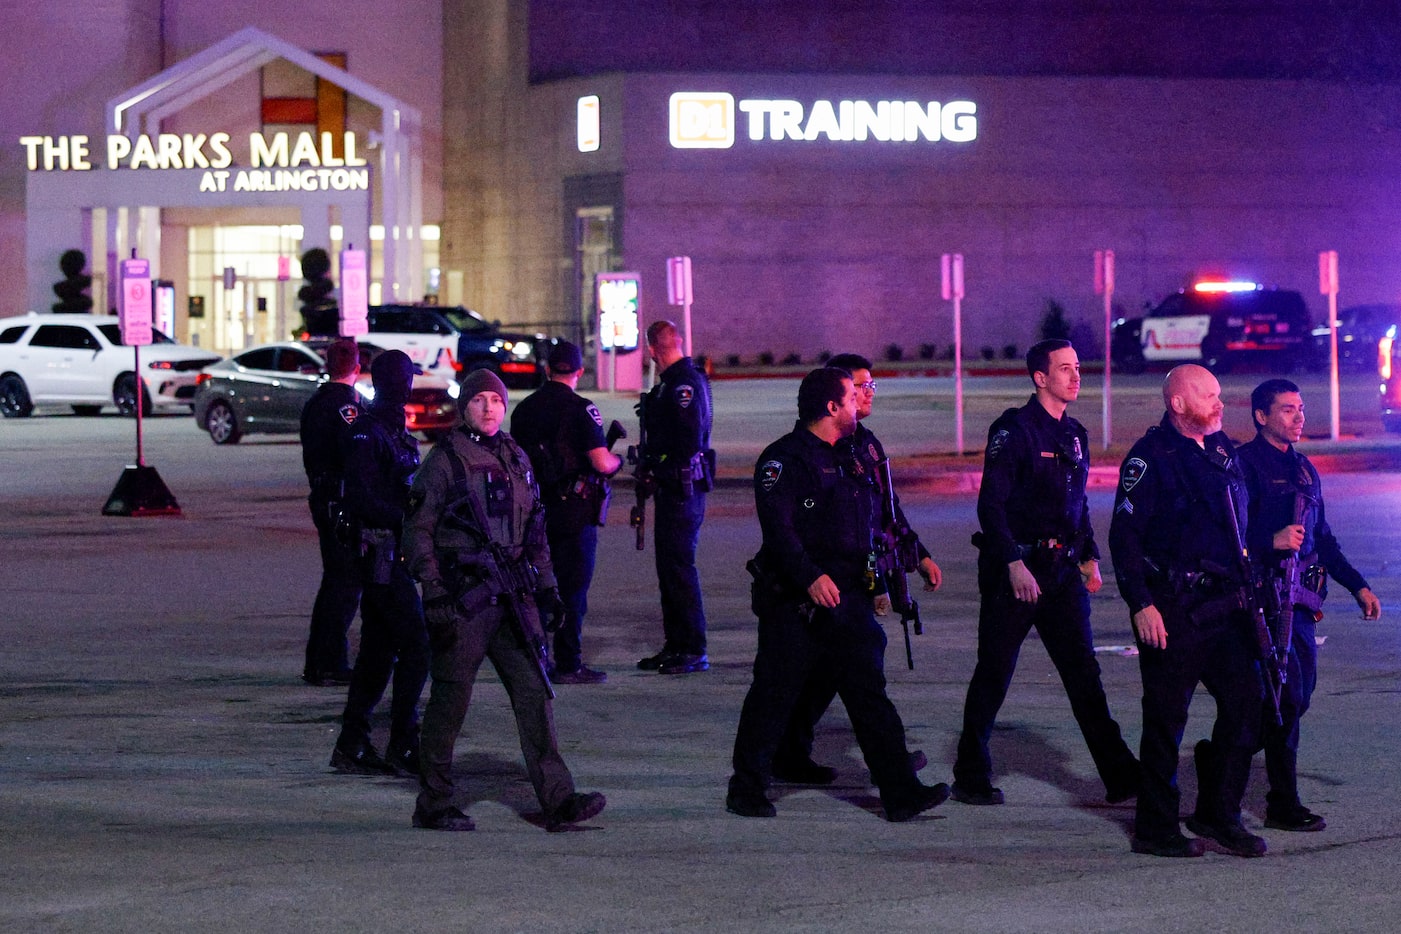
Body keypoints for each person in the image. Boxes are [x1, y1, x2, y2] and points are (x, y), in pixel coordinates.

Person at [726, 367, 950, 822]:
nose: (859, 402)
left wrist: (910, 559)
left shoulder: (854, 454)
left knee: (870, 695)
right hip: (796, 600)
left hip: (848, 597)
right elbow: (780, 531)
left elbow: (882, 518)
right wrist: (809, 576)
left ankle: (901, 793)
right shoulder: (782, 460)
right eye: (852, 396)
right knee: (773, 694)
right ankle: (746, 787)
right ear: (831, 407)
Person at [404, 367, 606, 832]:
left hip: (514, 596)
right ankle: (433, 803)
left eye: (495, 400)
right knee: (450, 702)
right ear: (465, 407)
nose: (489, 408)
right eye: (479, 401)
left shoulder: (515, 455)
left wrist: (549, 588)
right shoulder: (444, 461)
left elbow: (535, 531)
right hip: (466, 598)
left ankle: (558, 798)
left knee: (535, 695)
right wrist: (433, 591)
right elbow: (418, 531)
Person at [952, 339, 1139, 806]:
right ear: (1040, 378)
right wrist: (1013, 562)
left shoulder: (1075, 433)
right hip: (1015, 573)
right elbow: (990, 506)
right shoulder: (1014, 431)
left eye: (1078, 368)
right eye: (1065, 369)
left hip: (1060, 574)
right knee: (994, 673)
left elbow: (1077, 505)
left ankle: (1120, 776)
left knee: (1084, 677)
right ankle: (970, 774)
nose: (1076, 377)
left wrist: (1089, 555)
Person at [1109, 363, 1267, 858]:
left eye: (1220, 394)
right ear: (1179, 404)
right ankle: (1156, 828)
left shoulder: (1223, 449)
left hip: (1228, 605)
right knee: (1165, 720)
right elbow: (1125, 536)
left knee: (1249, 707)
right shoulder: (1150, 457)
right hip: (1173, 606)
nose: (1220, 404)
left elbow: (1242, 522)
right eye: (1209, 396)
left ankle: (1219, 813)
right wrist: (1141, 604)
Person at [773, 352, 942, 785]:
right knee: (855, 674)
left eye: (870, 386)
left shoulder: (867, 444)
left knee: (834, 672)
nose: (867, 394)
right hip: (827, 582)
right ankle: (891, 768)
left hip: (856, 575)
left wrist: (917, 554)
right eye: (859, 387)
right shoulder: (821, 447)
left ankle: (792, 752)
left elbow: (889, 510)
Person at [1234, 378, 1382, 832]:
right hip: (1261, 602)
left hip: (1300, 603)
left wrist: (1358, 586)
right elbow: (1228, 535)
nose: (1299, 417)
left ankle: (1223, 756)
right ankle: (1282, 802)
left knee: (1296, 698)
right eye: (1287, 410)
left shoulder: (1304, 470)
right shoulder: (1243, 467)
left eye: (1300, 408)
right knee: (1284, 697)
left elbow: (1324, 540)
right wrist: (1269, 540)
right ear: (1261, 416)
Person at [329, 349, 431, 777]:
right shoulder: (368, 431)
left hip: (393, 552)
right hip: (379, 554)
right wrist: (409, 516)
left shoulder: (392, 426)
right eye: (406, 379)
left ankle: (352, 741)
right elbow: (363, 498)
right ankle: (403, 740)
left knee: (378, 649)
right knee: (418, 646)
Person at [511, 340, 623, 685]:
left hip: (533, 512)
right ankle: (569, 663)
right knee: (572, 591)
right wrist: (619, 462)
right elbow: (601, 462)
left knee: (536, 587)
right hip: (574, 513)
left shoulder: (523, 410)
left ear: (547, 369)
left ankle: (535, 657)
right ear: (578, 371)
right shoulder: (582, 409)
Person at [635, 319, 714, 675]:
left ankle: (692, 648)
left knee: (680, 570)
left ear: (652, 350)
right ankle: (677, 645)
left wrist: (659, 466)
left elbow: (688, 442)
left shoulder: (683, 384)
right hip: (674, 489)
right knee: (669, 570)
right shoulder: (675, 382)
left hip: (682, 489)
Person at [299, 338, 362, 686]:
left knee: (333, 581)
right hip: (341, 502)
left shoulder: (315, 402)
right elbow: (356, 454)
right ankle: (330, 663)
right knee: (345, 583)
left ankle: (318, 661)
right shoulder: (348, 407)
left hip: (321, 496)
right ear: (357, 367)